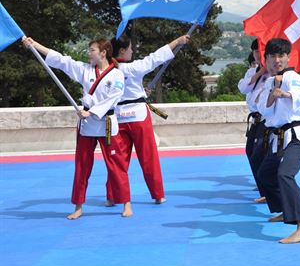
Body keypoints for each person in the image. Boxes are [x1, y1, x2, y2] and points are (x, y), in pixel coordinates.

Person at [22, 36, 132, 219]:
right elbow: (61, 61)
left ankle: (126, 203)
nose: (89, 54)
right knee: (82, 166)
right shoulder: (85, 70)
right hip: (87, 126)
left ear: (103, 53)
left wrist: (93, 111)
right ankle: (78, 206)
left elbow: (114, 97)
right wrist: (35, 45)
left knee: (116, 165)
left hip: (105, 123)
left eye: (92, 50)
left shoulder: (116, 74)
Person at [104, 34, 190, 206]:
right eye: (130, 48)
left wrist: (140, 92)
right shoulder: (135, 67)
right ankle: (158, 194)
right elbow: (157, 57)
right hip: (138, 116)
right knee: (148, 157)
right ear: (122, 50)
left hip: (117, 117)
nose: (132, 51)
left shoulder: (107, 70)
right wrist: (178, 41)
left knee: (117, 159)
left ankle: (112, 196)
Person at [255, 38, 300, 244]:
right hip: (278, 139)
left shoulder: (291, 76)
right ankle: (285, 210)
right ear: (266, 59)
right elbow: (264, 109)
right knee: (264, 175)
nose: (276, 60)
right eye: (272, 56)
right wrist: (274, 92)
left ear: (288, 57)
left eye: (281, 56)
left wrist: (285, 93)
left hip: (296, 137)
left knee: (286, 175)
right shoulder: (269, 82)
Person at [237, 39, 269, 203]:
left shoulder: (274, 73)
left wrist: (266, 71)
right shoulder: (252, 72)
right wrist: (259, 72)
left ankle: (267, 190)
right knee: (250, 152)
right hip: (255, 119)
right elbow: (243, 88)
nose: (257, 54)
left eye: (260, 51)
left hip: (268, 120)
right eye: (255, 51)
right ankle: (264, 188)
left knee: (259, 155)